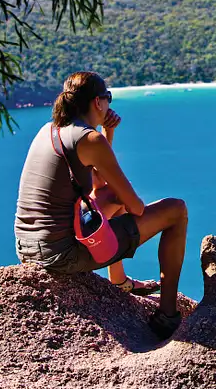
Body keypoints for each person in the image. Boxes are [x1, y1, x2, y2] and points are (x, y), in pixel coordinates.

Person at [14, 71, 188, 339]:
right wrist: (131, 205)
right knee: (176, 210)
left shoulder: (50, 130)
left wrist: (108, 132)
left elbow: (98, 187)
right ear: (97, 102)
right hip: (59, 256)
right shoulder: (89, 140)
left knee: (113, 199)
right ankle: (167, 316)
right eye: (108, 98)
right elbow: (137, 208)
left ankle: (118, 280)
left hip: (28, 248)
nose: (109, 104)